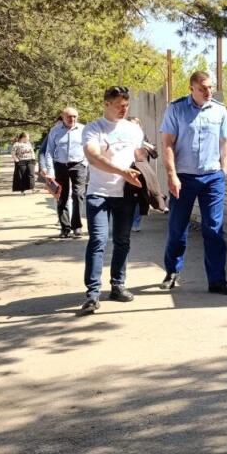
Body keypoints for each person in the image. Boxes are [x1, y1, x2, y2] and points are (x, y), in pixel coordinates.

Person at [160, 71, 227, 294]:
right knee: (177, 227)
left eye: (210, 87)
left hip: (212, 178)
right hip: (183, 178)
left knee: (214, 228)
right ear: (191, 88)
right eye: (203, 88)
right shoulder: (176, 109)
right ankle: (172, 271)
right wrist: (172, 175)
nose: (208, 92)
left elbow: (225, 140)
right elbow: (167, 143)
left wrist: (224, 170)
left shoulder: (219, 110)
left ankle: (217, 280)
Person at [79, 87, 145, 315]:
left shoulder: (134, 129)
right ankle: (92, 294)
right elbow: (93, 157)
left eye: (126, 105)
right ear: (106, 104)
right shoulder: (93, 128)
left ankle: (118, 285)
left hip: (125, 194)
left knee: (122, 241)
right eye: (118, 105)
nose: (123, 109)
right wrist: (122, 171)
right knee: (98, 240)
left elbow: (139, 157)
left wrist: (144, 158)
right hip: (98, 193)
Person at [40, 106, 88, 238]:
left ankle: (77, 226)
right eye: (69, 116)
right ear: (63, 117)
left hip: (78, 165)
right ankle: (65, 228)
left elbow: (88, 148)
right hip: (60, 165)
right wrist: (50, 171)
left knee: (78, 195)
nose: (72, 119)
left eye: (74, 116)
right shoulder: (55, 131)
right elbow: (49, 151)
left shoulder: (83, 130)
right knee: (62, 196)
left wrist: (85, 163)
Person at [127, 116, 159, 232]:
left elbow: (155, 153)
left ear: (140, 126)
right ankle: (126, 222)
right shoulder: (122, 137)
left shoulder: (144, 138)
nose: (133, 127)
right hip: (126, 171)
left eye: (136, 125)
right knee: (127, 198)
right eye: (130, 125)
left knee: (140, 198)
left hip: (141, 172)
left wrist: (146, 145)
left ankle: (135, 223)